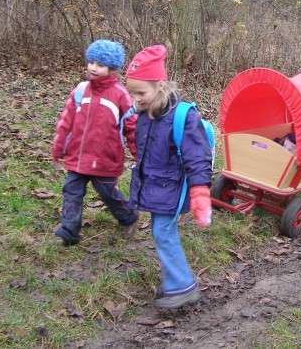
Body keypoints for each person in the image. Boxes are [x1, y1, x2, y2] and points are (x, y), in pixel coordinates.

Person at [125, 45, 212, 309]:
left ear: (160, 86)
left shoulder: (184, 117)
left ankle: (182, 286)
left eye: (141, 93)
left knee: (162, 231)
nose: (136, 99)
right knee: (161, 231)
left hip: (173, 188)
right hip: (155, 187)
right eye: (132, 93)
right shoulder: (145, 113)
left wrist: (200, 192)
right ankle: (174, 281)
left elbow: (198, 157)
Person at [51, 40, 139, 246]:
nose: (93, 67)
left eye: (100, 64)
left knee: (108, 194)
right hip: (78, 156)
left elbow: (132, 126)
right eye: (91, 62)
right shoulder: (81, 91)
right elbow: (66, 121)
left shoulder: (120, 95)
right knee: (71, 192)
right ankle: (69, 231)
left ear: (112, 68)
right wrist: (59, 146)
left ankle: (128, 217)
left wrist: (138, 153)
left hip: (104, 159)